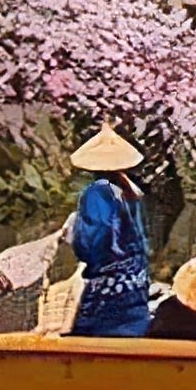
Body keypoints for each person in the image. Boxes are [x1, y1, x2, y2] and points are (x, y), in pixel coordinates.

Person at [66, 123, 152, 337]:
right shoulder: (132, 191)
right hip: (136, 286)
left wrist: (74, 233)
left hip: (107, 294)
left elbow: (91, 243)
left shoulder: (97, 192)